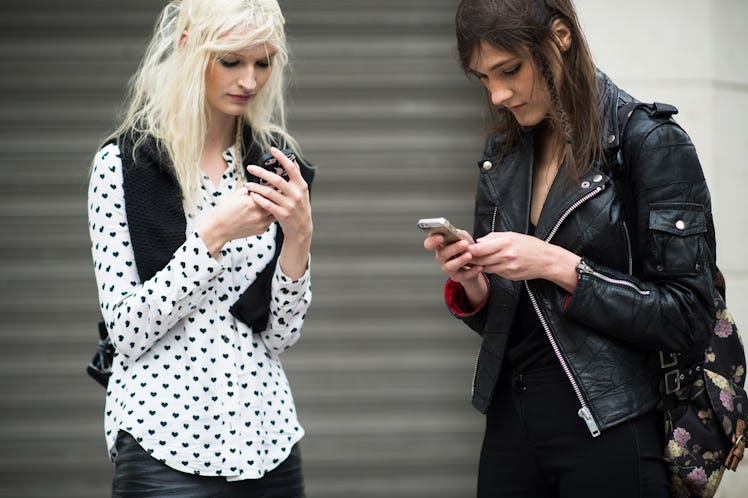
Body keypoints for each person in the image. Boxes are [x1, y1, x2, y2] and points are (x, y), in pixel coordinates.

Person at [423, 1, 718, 496]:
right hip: (509, 424)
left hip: (613, 423)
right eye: (483, 78)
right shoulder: (505, 155)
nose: (497, 95)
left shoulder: (648, 142)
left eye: (510, 70)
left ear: (559, 36)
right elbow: (513, 316)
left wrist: (561, 266)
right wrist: (473, 283)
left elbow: (688, 316)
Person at [87, 0, 314, 496]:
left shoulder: (271, 162)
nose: (249, 81)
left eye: (263, 62)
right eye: (231, 60)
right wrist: (212, 235)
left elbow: (279, 338)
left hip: (267, 440)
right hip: (162, 446)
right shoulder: (123, 167)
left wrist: (299, 237)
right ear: (189, 47)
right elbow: (127, 331)